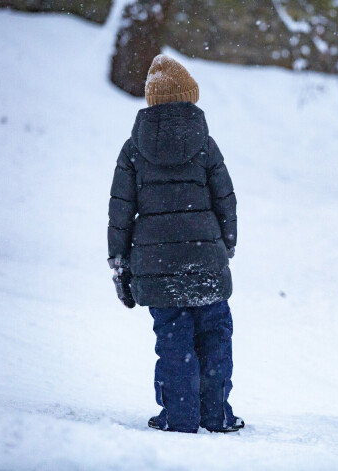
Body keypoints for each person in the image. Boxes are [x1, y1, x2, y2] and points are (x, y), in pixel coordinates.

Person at [107, 54, 244, 433]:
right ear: (190, 97)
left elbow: (121, 211)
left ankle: (179, 417)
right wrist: (226, 243)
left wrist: (119, 261)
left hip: (157, 267)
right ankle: (216, 415)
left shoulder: (133, 149)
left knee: (173, 340)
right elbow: (225, 199)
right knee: (215, 335)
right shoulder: (205, 145)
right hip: (205, 261)